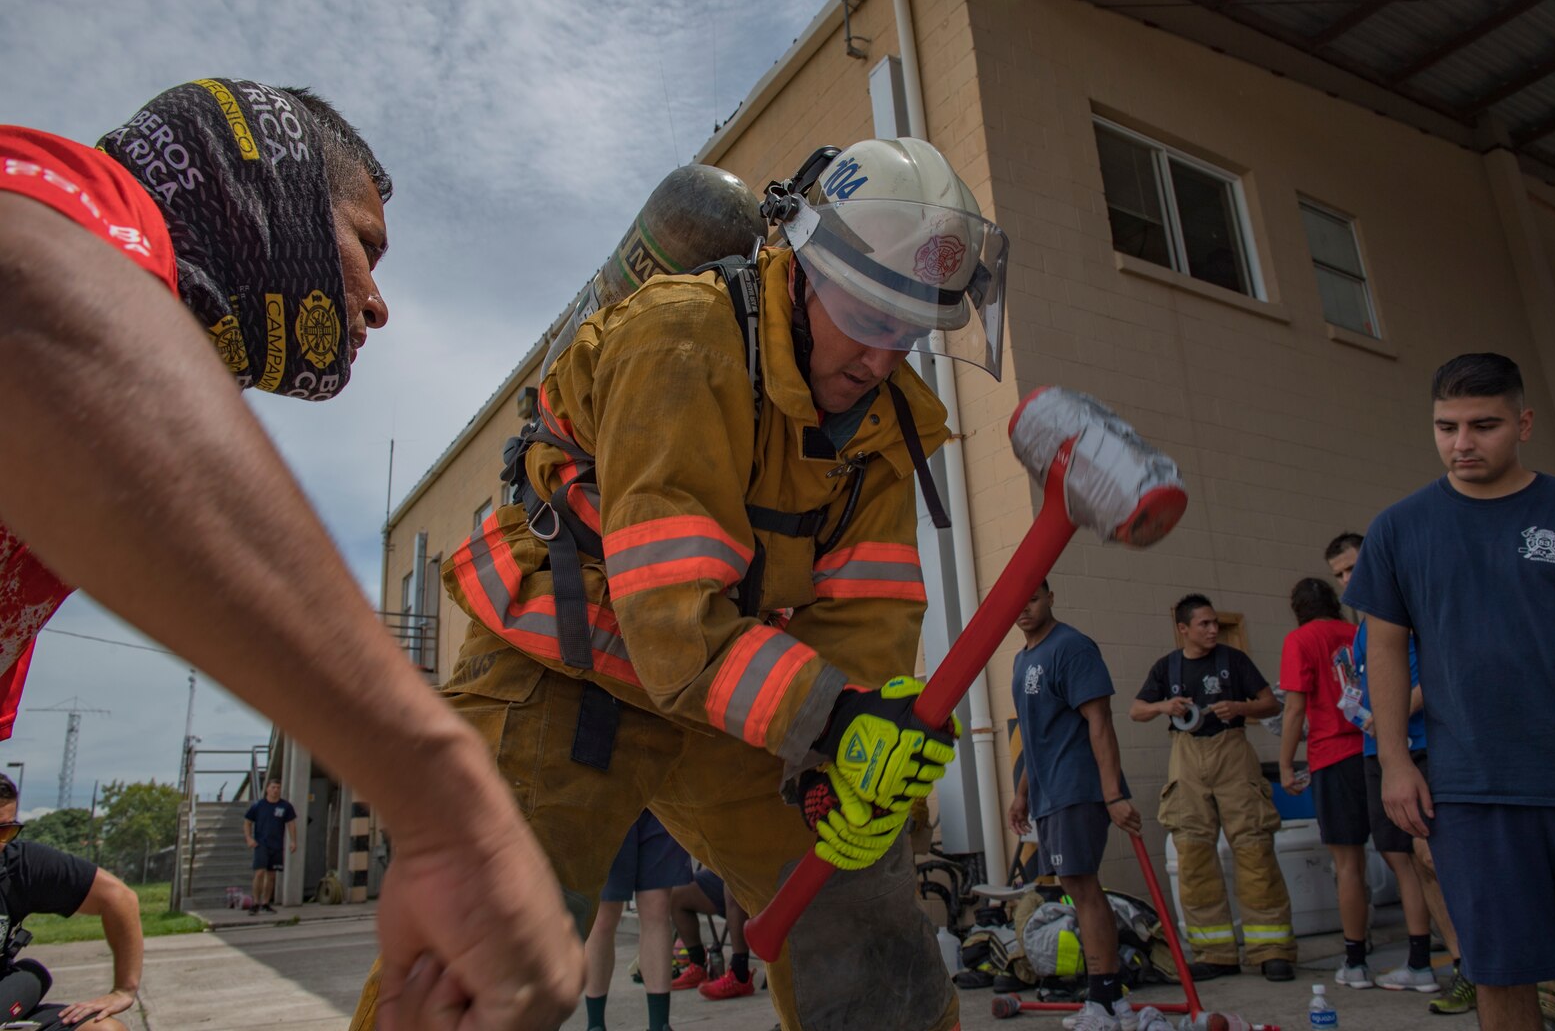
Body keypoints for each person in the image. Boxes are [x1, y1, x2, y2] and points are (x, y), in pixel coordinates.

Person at [349, 136, 1006, 1031]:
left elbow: (863, 626)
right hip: (570, 655)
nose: (883, 357)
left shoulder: (888, 426)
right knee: (480, 940)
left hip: (733, 685)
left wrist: (849, 758)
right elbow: (672, 623)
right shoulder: (682, 335)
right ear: (803, 267)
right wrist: (836, 719)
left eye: (910, 329)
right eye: (867, 314)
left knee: (861, 917)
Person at [0, 81, 585, 1027]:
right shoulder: (77, 200)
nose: (380, 305)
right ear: (264, 181)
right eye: (367, 245)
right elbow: (30, 298)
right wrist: (448, 798)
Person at [1345, 352, 1555, 1031]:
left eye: (1483, 425)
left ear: (1523, 423)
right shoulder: (1399, 529)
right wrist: (1395, 762)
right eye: (1447, 426)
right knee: (1498, 970)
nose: (1461, 443)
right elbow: (1383, 646)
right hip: (1474, 789)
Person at [1325, 533, 1469, 1010]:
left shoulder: (1413, 608)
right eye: (1339, 574)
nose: (1348, 580)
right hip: (1383, 756)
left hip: (1428, 747)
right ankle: (1453, 965)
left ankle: (1487, 970)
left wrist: (1390, 717)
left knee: (1434, 857)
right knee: (1406, 857)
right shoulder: (1364, 629)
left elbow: (1437, 673)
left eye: (1353, 568)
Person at [1130, 594, 1295, 983]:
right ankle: (1214, 952)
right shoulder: (1166, 667)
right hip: (1185, 757)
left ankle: (1271, 950)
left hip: (1232, 750)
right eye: (1203, 624)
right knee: (1192, 854)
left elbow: (1271, 704)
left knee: (1254, 846)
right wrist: (1163, 707)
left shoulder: (1234, 661)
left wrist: (1240, 708)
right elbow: (1136, 710)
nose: (1212, 630)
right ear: (1182, 629)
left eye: (1214, 623)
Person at [1005, 580, 1140, 1031]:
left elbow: (1100, 723)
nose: (1024, 608)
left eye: (1033, 597)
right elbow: (1034, 734)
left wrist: (1113, 794)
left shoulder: (1072, 647)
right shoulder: (1022, 660)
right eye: (1016, 602)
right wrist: (1023, 794)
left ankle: (1105, 1001)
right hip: (1048, 794)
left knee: (1083, 889)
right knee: (1076, 888)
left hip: (1077, 788)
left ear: (1050, 597)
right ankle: (1106, 998)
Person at [1276, 578, 1370, 989]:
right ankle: (1423, 957)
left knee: (1348, 865)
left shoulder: (1300, 640)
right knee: (1404, 861)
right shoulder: (1357, 634)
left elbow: (1295, 709)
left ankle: (1356, 960)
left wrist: (1284, 764)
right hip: (1376, 750)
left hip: (1333, 755)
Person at [0, 773, 140, 1030]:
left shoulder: (18, 864)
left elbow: (119, 898)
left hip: (5, 999)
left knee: (107, 1030)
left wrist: (124, 990)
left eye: (5, 830)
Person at [583, 811, 692, 1031]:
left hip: (658, 797)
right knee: (604, 914)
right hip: (611, 794)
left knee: (657, 907)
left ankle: (659, 1024)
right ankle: (595, 1025)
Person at [670, 866, 756, 1000]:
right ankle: (698, 965)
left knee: (733, 882)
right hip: (725, 869)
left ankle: (740, 974)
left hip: (757, 870)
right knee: (677, 893)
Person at [243, 778, 298, 915]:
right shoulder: (258, 805)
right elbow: (247, 822)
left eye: (278, 787)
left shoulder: (285, 806)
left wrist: (293, 841)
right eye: (273, 787)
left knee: (272, 875)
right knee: (260, 872)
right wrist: (249, 838)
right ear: (267, 789)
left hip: (277, 845)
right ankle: (255, 902)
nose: (275, 790)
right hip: (261, 843)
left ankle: (266, 903)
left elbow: (291, 824)